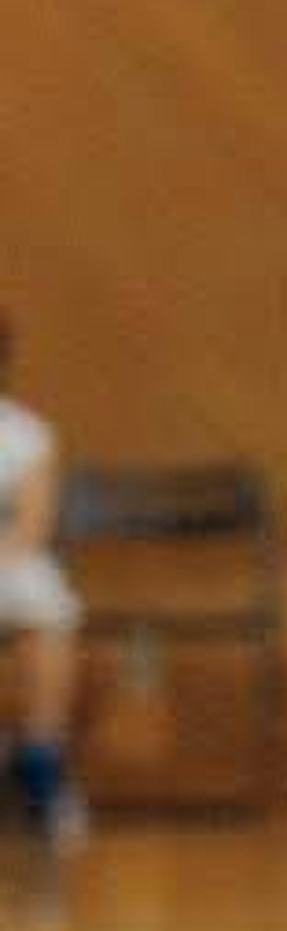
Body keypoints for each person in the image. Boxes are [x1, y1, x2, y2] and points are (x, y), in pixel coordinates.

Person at [0, 322, 87, 851]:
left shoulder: (25, 434)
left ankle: (40, 759)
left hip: (6, 562)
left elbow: (32, 526)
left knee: (47, 606)